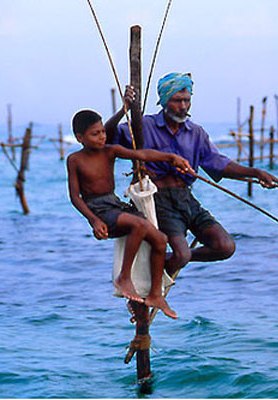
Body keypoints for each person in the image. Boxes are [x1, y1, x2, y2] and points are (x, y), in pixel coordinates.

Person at [105, 72, 278, 277]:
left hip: (185, 198)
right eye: (177, 101)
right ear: (164, 101)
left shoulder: (196, 132)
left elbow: (219, 164)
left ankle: (163, 263)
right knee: (182, 255)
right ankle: (154, 290)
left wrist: (256, 173)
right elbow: (107, 137)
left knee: (225, 246)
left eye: (187, 101)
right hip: (159, 199)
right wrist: (124, 109)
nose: (183, 106)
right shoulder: (144, 126)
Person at [67, 109, 195, 319]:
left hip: (114, 204)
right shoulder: (75, 159)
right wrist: (94, 220)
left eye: (102, 132)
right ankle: (124, 277)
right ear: (79, 138)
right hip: (99, 209)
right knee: (139, 224)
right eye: (95, 134)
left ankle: (156, 294)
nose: (101, 137)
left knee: (161, 240)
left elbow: (142, 154)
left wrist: (171, 157)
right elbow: (75, 197)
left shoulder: (109, 151)